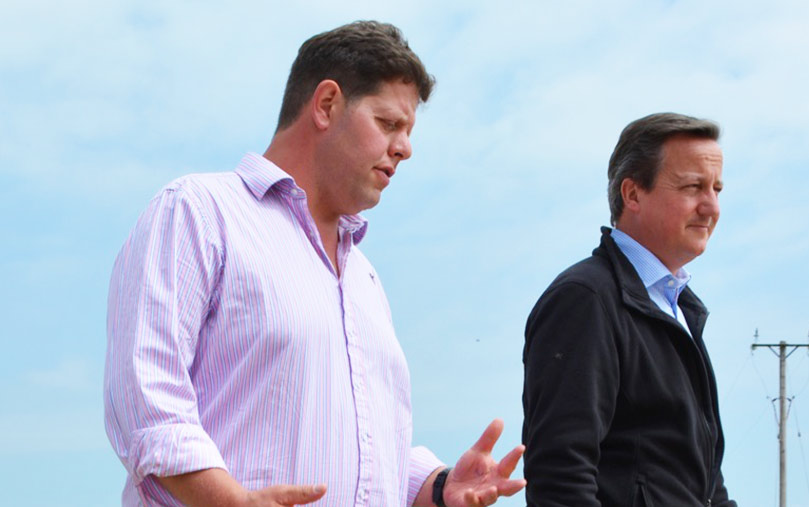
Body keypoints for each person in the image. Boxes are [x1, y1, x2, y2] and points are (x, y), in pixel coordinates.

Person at [104, 21, 525, 507]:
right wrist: (230, 501)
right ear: (326, 105)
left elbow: (365, 445)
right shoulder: (197, 212)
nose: (405, 149)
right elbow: (147, 400)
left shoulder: (365, 277)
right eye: (389, 124)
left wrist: (434, 486)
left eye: (407, 133)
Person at [521, 112, 738, 506]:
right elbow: (560, 477)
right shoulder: (586, 300)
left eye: (717, 189)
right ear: (633, 194)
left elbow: (706, 484)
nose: (711, 207)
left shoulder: (680, 310)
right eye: (693, 187)